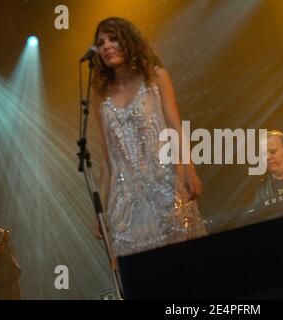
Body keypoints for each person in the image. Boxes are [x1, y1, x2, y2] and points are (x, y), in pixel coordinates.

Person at [91, 17, 207, 298]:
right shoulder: (101, 98)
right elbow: (108, 161)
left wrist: (190, 171)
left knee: (187, 274)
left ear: (128, 40)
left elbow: (175, 127)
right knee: (143, 283)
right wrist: (100, 211)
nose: (107, 47)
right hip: (126, 206)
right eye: (101, 43)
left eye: (113, 38)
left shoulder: (155, 78)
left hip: (166, 189)